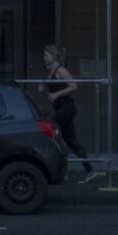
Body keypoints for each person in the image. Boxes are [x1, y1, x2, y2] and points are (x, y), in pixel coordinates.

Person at [42, 44, 97, 179]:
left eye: (46, 55)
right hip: (60, 108)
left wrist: (56, 95)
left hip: (67, 108)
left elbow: (73, 86)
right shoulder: (50, 72)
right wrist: (44, 90)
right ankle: (89, 170)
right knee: (71, 140)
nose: (44, 57)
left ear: (53, 56)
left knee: (50, 130)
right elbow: (52, 92)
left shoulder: (61, 70)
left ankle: (58, 169)